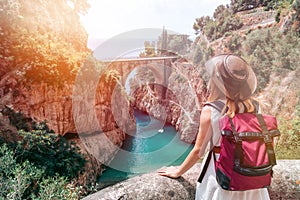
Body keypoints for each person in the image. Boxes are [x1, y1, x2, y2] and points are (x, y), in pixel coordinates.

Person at [157, 54, 270, 200]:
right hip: (252, 177)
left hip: (222, 177)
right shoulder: (255, 106)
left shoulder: (212, 109)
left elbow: (199, 151)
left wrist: (178, 171)